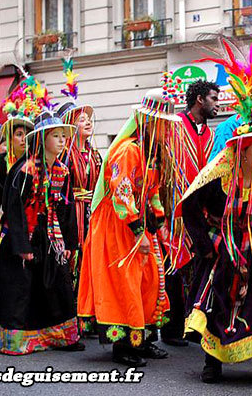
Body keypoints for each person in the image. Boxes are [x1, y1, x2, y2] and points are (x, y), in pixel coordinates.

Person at [178, 34, 252, 387]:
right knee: (217, 305)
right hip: (220, 249)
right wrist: (205, 245)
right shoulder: (219, 174)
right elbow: (190, 206)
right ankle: (213, 364)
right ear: (243, 149)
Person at [0, 106, 84, 354]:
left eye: (63, 136)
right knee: (19, 287)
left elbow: (67, 208)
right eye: (55, 136)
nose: (62, 141)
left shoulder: (62, 170)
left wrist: (70, 243)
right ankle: (16, 339)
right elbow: (14, 209)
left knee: (58, 284)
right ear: (42, 139)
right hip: (22, 237)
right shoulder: (25, 170)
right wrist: (22, 246)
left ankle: (62, 336)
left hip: (50, 236)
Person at [77, 88, 182, 367]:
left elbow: (153, 192)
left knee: (147, 281)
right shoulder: (127, 151)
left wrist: (159, 226)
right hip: (117, 224)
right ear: (149, 123)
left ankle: (142, 339)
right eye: (164, 123)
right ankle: (122, 346)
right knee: (123, 284)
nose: (168, 129)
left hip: (136, 222)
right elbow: (122, 193)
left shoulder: (152, 152)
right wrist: (139, 232)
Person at [159, 79, 220, 348]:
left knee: (199, 267)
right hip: (174, 211)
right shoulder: (174, 126)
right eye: (214, 99)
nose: (218, 104)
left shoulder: (209, 133)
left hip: (200, 212)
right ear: (199, 100)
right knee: (175, 267)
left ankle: (191, 325)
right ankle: (171, 329)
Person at [56, 57, 103, 292]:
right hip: (72, 214)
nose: (87, 122)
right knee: (74, 262)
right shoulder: (64, 156)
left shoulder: (95, 154)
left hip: (92, 214)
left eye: (88, 119)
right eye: (80, 119)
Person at [0, 86, 37, 211]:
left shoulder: (35, 162)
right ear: (10, 139)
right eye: (19, 134)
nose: (24, 139)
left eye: (27, 134)